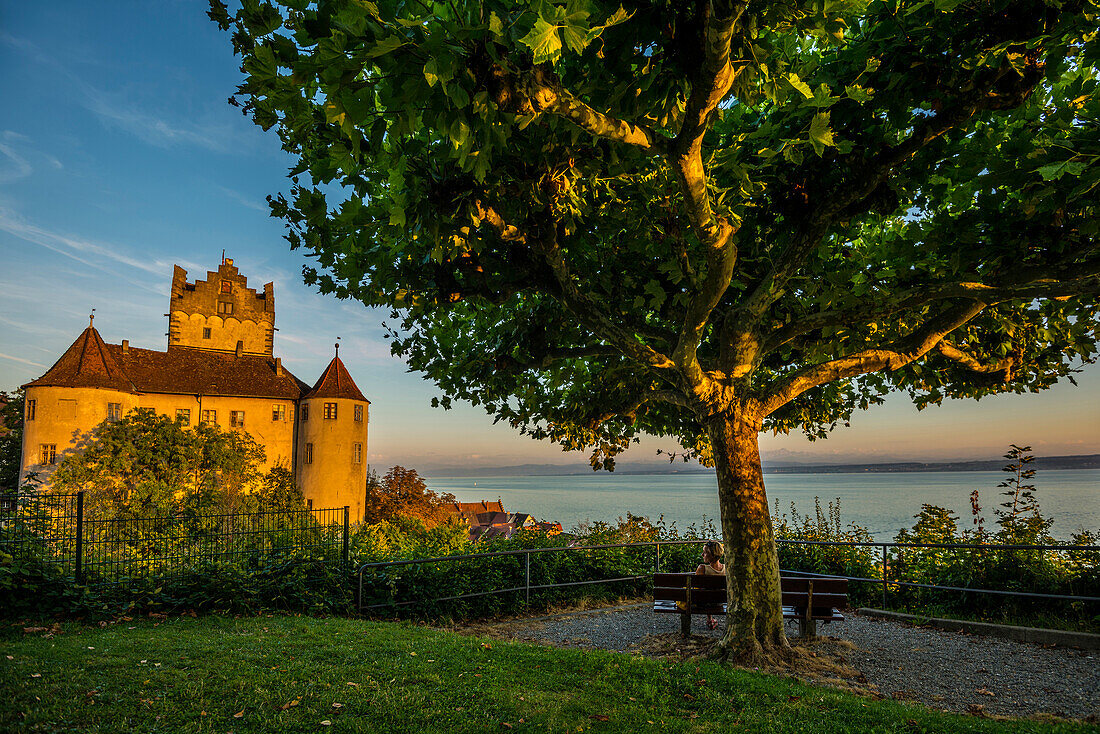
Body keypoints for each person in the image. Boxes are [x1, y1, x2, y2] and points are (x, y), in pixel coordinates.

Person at [696, 540, 725, 630]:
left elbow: (697, 589)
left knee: (704, 594)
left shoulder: (702, 568)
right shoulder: (726, 568)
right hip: (720, 601)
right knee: (709, 594)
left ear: (712, 555)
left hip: (704, 602)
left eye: (705, 553)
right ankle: (710, 620)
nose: (702, 555)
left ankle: (710, 619)